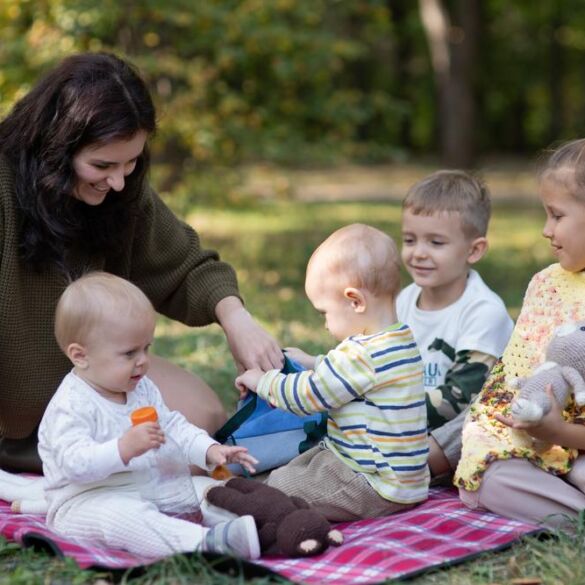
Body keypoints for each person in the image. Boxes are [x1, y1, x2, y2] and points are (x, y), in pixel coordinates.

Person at [0, 52, 283, 472]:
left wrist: (236, 319)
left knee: (202, 422)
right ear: (55, 146)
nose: (117, 181)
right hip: (12, 412)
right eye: (101, 165)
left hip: (95, 386)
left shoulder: (120, 192)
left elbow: (185, 266)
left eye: (130, 163)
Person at [37, 271, 260, 558]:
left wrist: (209, 449)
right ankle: (205, 546)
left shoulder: (140, 388)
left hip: (143, 485)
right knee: (126, 517)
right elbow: (74, 464)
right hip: (84, 502)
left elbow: (172, 426)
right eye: (129, 353)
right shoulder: (71, 404)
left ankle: (250, 528)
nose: (143, 361)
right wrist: (123, 448)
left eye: (146, 348)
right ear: (80, 356)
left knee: (204, 488)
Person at [235, 224, 429, 522]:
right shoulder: (398, 339)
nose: (325, 324)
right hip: (401, 481)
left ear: (355, 301)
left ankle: (245, 510)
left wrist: (263, 382)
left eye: (325, 312)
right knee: (303, 466)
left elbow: (309, 396)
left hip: (371, 482)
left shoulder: (361, 354)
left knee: (281, 486)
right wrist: (313, 360)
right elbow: (356, 377)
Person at [454, 139, 585, 529]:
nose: (546, 230)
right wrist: (534, 424)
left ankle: (568, 511)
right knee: (490, 481)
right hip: (533, 447)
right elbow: (514, 377)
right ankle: (571, 512)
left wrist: (561, 432)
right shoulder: (547, 286)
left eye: (556, 215)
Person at [396, 170, 514, 478]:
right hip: (406, 420)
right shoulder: (405, 299)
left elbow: (459, 397)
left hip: (465, 425)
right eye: (409, 240)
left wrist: (383, 413)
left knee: (465, 429)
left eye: (436, 242)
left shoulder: (483, 311)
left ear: (474, 250)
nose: (418, 253)